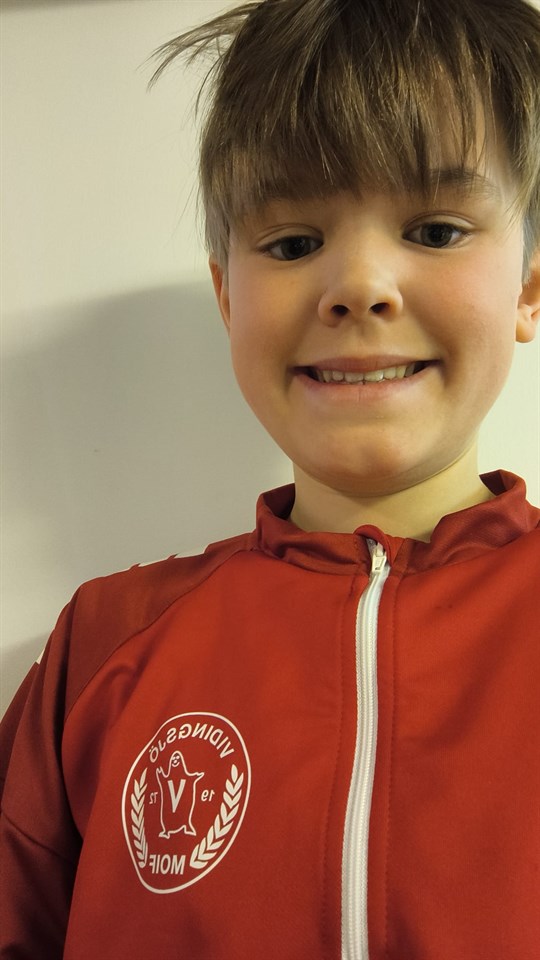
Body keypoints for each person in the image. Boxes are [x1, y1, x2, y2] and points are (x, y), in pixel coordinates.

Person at [1, 0, 539, 956]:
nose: (360, 285)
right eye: (292, 244)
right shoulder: (103, 645)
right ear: (227, 298)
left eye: (435, 229)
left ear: (530, 285)